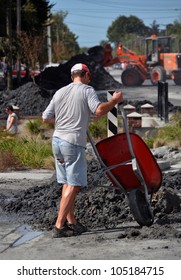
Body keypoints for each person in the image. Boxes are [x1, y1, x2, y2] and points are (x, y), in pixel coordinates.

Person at [42, 63, 123, 238]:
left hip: (57, 141)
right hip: (72, 142)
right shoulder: (87, 90)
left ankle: (72, 222)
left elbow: (45, 117)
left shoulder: (60, 92)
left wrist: (63, 121)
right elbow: (99, 110)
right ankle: (59, 226)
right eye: (88, 76)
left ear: (72, 76)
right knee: (74, 184)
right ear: (85, 75)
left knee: (66, 183)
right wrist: (114, 101)